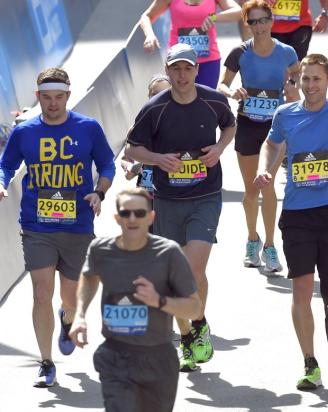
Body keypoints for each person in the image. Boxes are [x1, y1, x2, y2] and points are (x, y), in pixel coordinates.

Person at [254, 35, 328, 390]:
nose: (310, 85)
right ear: (298, 81)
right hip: (297, 214)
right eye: (304, 79)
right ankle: (310, 363)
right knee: (302, 289)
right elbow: (272, 143)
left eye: (316, 78)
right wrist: (267, 168)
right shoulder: (285, 114)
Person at [0, 68, 116, 387]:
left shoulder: (88, 128)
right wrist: (1, 182)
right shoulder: (24, 132)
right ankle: (46, 362)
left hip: (77, 224)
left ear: (68, 95)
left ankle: (67, 320)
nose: (53, 104)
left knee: (69, 297)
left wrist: (100, 191)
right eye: (47, 98)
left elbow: (107, 164)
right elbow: (6, 164)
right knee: (41, 293)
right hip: (37, 225)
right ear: (38, 97)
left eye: (59, 97)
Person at [125, 43, 237, 372]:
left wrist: (218, 148)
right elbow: (133, 148)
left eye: (188, 68)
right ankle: (191, 333)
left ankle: (195, 326)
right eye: (176, 69)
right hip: (168, 199)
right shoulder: (154, 108)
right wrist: (158, 159)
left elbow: (230, 125)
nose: (182, 74)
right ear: (168, 69)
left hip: (205, 196)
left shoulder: (213, 100)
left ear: (197, 70)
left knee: (193, 270)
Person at [69, 188, 201, 411]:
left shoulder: (169, 253)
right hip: (115, 355)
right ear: (117, 217)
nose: (132, 219)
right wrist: (80, 315)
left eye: (139, 213)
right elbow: (89, 276)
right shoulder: (101, 250)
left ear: (151, 217)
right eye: (126, 213)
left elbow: (195, 308)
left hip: (158, 358)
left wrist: (159, 301)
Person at [218, 0, 300, 272]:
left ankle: (270, 245)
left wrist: (291, 93)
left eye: (264, 20)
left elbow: (295, 88)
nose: (260, 26)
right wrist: (233, 93)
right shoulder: (238, 53)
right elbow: (222, 84)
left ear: (272, 20)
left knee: (269, 185)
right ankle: (251, 239)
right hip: (248, 125)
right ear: (246, 24)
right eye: (253, 22)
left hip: (275, 129)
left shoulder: (288, 53)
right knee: (252, 190)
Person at [140, 0, 242, 89]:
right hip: (178, 61)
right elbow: (147, 16)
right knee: (179, 103)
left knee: (205, 104)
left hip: (208, 60)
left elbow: (239, 12)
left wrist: (214, 17)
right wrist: (149, 35)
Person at [120, 74, 172, 192]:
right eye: (155, 94)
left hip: (175, 190)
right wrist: (130, 168)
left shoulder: (182, 124)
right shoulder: (136, 128)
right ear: (148, 96)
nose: (159, 98)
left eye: (164, 93)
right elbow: (126, 158)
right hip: (147, 188)